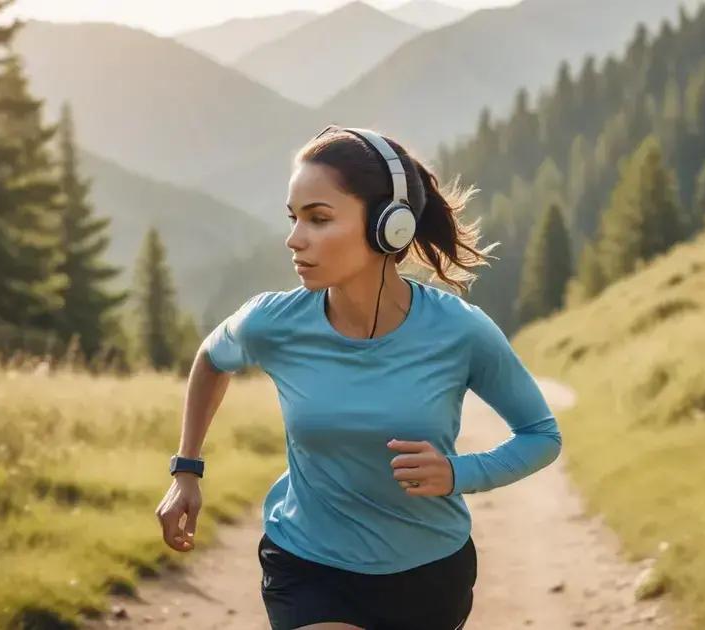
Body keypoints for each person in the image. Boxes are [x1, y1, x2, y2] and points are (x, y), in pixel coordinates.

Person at [155, 125, 563, 630]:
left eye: (318, 219)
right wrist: (186, 470)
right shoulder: (273, 321)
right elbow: (211, 359)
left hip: (428, 575)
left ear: (388, 226)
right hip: (307, 565)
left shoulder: (459, 330)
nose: (294, 239)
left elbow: (541, 435)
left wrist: (459, 474)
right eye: (293, 218)